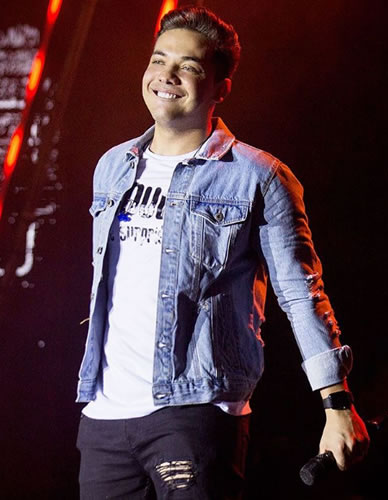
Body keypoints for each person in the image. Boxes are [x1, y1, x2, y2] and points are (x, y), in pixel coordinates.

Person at [75, 7, 369, 498]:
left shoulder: (259, 176)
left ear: (220, 88)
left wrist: (336, 404)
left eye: (188, 66)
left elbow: (301, 294)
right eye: (158, 59)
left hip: (195, 410)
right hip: (104, 415)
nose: (166, 75)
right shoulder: (112, 166)